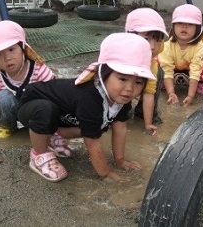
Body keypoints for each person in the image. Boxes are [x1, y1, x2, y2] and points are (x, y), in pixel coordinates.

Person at [17, 33, 155, 182]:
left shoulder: (121, 96)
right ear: (104, 73)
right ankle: (39, 153)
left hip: (61, 116)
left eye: (139, 82)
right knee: (45, 110)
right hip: (31, 105)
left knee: (99, 126)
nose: (130, 88)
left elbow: (120, 129)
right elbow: (92, 142)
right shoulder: (90, 97)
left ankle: (52, 137)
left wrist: (120, 160)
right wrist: (105, 173)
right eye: (122, 78)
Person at [0, 20, 54, 143]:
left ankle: (41, 129)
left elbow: (56, 98)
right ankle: (7, 126)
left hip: (38, 113)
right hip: (15, 110)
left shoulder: (39, 71)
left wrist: (57, 127)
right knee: (2, 97)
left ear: (22, 48)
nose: (7, 58)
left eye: (11, 49)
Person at [158, 4, 203, 107]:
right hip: (173, 71)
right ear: (173, 26)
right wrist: (171, 93)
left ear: (197, 28)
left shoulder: (200, 48)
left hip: (191, 73)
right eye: (179, 23)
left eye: (190, 24)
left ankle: (199, 86)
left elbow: (195, 71)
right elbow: (166, 69)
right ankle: (166, 84)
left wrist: (190, 95)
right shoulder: (167, 46)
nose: (184, 26)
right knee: (158, 61)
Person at [124, 8, 168, 135]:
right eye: (147, 38)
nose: (153, 46)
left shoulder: (151, 63)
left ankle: (143, 113)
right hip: (114, 91)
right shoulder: (119, 56)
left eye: (158, 39)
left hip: (140, 80)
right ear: (130, 36)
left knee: (159, 73)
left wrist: (148, 123)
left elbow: (149, 93)